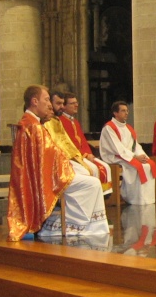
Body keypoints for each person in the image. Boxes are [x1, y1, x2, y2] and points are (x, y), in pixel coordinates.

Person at [7, 85, 109, 241]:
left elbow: (50, 153)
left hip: (43, 175)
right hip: (47, 179)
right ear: (35, 101)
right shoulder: (34, 126)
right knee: (92, 184)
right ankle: (74, 225)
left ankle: (83, 224)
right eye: (47, 100)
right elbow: (50, 155)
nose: (49, 105)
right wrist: (65, 163)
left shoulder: (30, 122)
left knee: (90, 179)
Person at [99, 101, 156, 205]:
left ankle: (147, 199)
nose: (126, 113)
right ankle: (133, 198)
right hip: (114, 156)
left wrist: (142, 155)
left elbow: (135, 146)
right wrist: (135, 157)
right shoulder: (109, 127)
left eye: (127, 111)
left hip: (127, 156)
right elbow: (117, 147)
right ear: (115, 113)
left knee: (149, 165)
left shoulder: (128, 128)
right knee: (137, 167)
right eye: (123, 111)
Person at [59, 92, 112, 194]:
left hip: (83, 154)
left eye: (76, 102)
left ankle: (104, 195)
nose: (76, 105)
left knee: (105, 167)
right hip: (74, 156)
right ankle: (92, 195)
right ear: (64, 106)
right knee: (93, 169)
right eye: (72, 103)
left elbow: (82, 140)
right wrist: (85, 155)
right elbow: (68, 143)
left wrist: (89, 153)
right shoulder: (61, 121)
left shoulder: (74, 121)